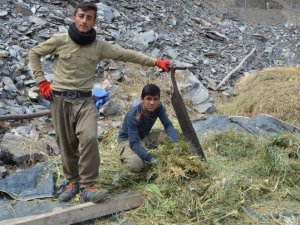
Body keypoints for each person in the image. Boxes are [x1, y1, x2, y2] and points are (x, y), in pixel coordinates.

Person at [28, 2, 171, 203]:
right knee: (66, 144)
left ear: (94, 21)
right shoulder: (60, 40)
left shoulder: (99, 46)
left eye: (89, 18)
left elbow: (126, 54)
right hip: (59, 100)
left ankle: (88, 186)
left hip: (85, 101)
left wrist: (156, 62)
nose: (84, 21)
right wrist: (42, 81)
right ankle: (72, 182)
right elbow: (34, 53)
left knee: (89, 138)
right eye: (81, 16)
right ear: (74, 18)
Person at [118, 84, 177, 172]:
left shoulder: (158, 107)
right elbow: (134, 143)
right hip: (128, 140)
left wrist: (175, 143)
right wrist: (151, 159)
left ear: (159, 100)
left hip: (143, 138)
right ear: (142, 99)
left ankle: (144, 151)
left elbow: (168, 125)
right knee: (137, 165)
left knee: (174, 135)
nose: (152, 103)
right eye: (148, 99)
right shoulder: (133, 115)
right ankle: (127, 155)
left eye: (155, 99)